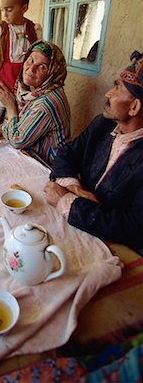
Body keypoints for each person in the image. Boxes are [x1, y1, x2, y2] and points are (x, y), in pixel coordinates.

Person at [44, 51, 143, 251]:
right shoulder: (103, 125)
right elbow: (67, 153)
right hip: (80, 230)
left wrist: (67, 201)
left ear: (134, 107)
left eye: (117, 88)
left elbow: (135, 228)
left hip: (114, 249)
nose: (108, 93)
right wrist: (74, 187)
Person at [0, 40, 71, 166]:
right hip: (30, 156)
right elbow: (10, 123)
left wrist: (10, 106)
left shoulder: (46, 103)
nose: (31, 68)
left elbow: (17, 140)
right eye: (30, 60)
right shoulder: (31, 92)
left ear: (52, 73)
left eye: (42, 67)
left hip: (47, 167)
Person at [0, 0, 42, 139]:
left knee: (18, 101)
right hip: (4, 71)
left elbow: (36, 54)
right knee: (0, 99)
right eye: (2, 9)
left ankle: (10, 126)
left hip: (23, 74)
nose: (4, 14)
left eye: (9, 9)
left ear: (24, 8)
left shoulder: (33, 29)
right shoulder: (0, 29)